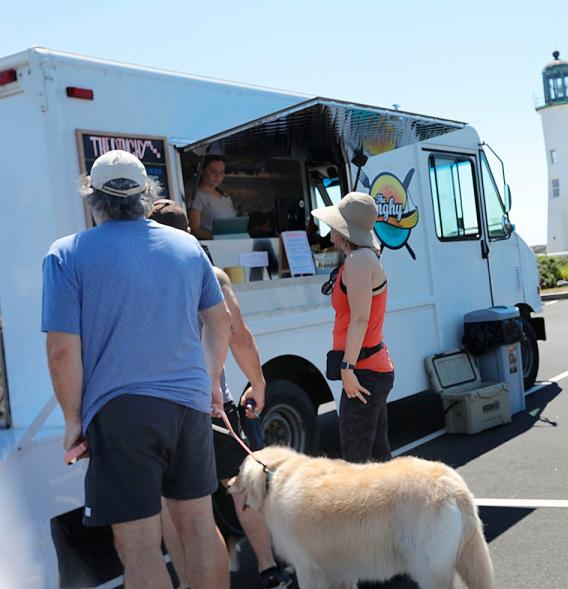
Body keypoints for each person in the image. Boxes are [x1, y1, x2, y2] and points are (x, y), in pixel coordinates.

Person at [42, 150, 232, 589]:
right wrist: (208, 382)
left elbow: (62, 353)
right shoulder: (187, 246)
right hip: (188, 409)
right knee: (200, 527)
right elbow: (219, 323)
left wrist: (73, 421)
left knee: (141, 546)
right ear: (146, 196)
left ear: (94, 200)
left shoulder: (67, 254)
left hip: (120, 413)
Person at [146, 200, 292, 589]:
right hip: (210, 404)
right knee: (239, 484)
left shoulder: (137, 278)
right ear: (189, 235)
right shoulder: (209, 274)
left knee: (171, 504)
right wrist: (258, 382)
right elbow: (237, 335)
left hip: (157, 409)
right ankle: (268, 569)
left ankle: (191, 581)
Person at [312, 192, 395, 462]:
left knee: (357, 461)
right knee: (376, 457)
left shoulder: (359, 260)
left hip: (364, 369)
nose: (330, 231)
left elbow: (360, 318)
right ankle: (398, 504)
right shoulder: (361, 258)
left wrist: (347, 368)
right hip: (370, 367)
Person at [190, 156, 237, 240]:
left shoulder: (226, 197)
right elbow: (194, 229)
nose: (217, 176)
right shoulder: (197, 196)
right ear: (203, 171)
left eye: (221, 172)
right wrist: (218, 238)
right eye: (213, 171)